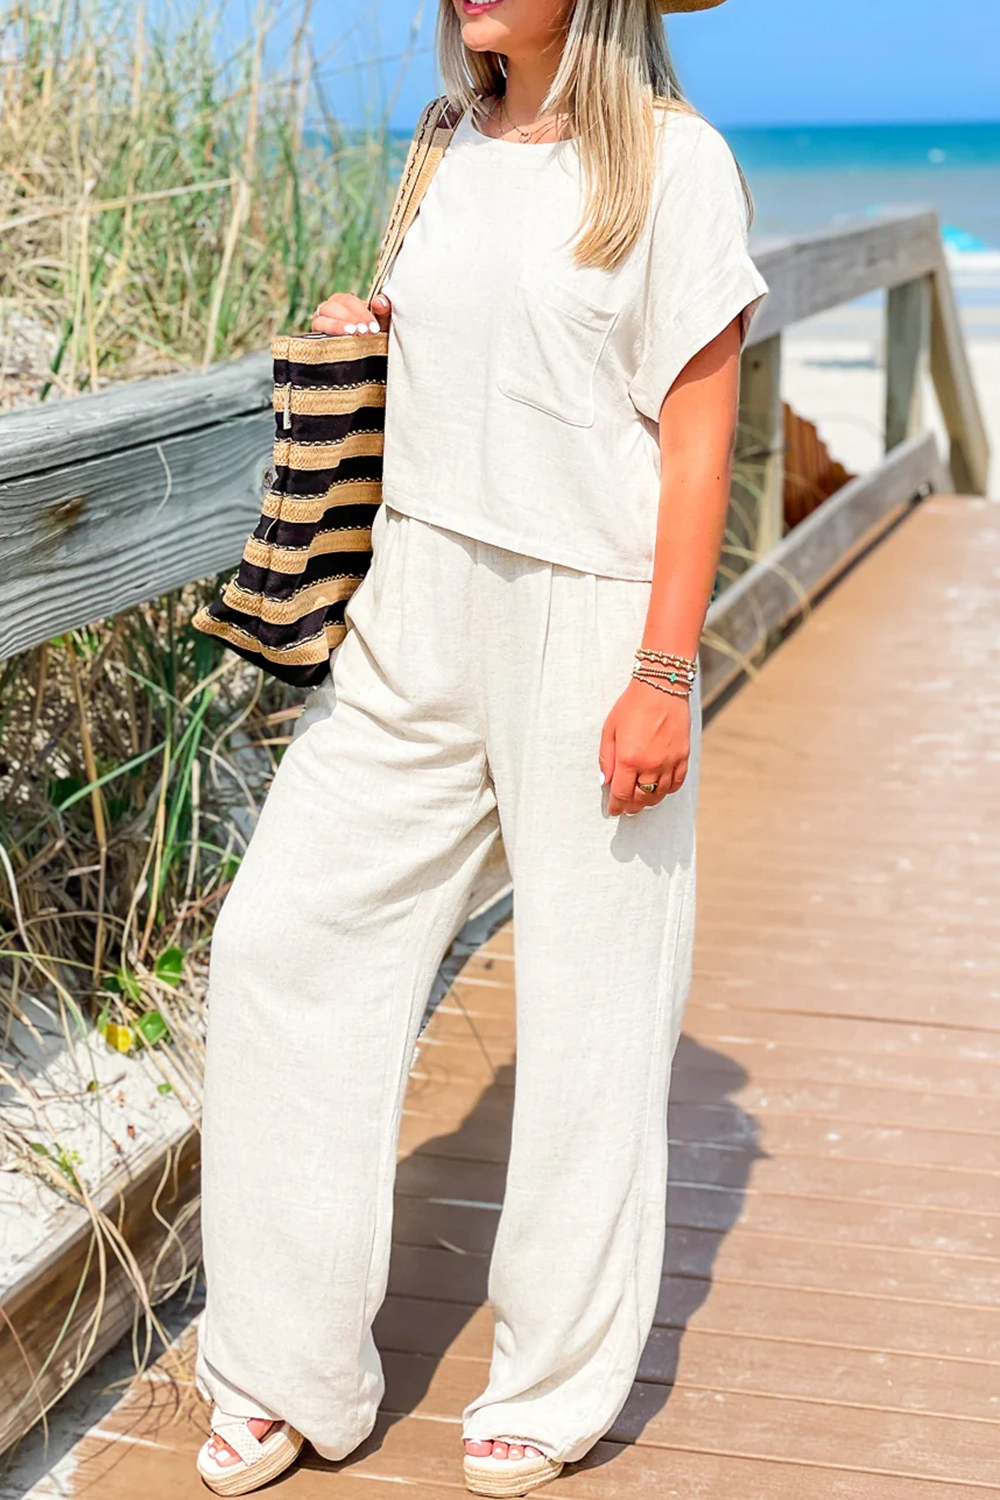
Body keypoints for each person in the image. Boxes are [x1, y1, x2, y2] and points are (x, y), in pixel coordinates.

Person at [194, 0, 766, 1494]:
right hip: (413, 595)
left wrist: (659, 669)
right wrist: (364, 330)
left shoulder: (676, 169)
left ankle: (557, 1375)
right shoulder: (447, 139)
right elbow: (461, 341)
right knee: (283, 946)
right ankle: (280, 1357)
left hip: (591, 617)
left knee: (594, 1005)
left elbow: (700, 439)